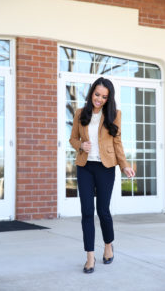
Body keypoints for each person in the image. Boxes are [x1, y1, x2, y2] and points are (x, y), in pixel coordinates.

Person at [69, 77, 135, 274]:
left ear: (109, 98)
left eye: (104, 97)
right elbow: (72, 138)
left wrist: (124, 165)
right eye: (97, 94)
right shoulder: (81, 113)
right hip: (85, 166)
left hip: (106, 167)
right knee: (87, 211)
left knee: (103, 210)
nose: (99, 99)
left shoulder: (114, 115)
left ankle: (108, 245)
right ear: (91, 93)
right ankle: (90, 256)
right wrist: (81, 145)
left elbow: (117, 143)